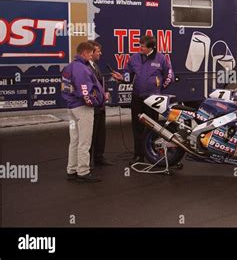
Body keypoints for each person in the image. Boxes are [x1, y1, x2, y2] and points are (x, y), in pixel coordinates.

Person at [111, 35, 174, 164]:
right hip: (137, 97)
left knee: (153, 127)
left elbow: (169, 76)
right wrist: (121, 78)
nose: (140, 47)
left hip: (153, 99)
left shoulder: (161, 58)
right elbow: (128, 75)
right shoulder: (134, 58)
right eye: (139, 45)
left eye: (143, 46)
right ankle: (138, 155)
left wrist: (158, 89)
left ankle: (153, 154)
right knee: (137, 126)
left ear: (151, 47)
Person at [61, 41, 105, 182]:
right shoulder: (81, 68)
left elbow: (66, 88)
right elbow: (84, 90)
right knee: (84, 141)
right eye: (91, 53)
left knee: (74, 140)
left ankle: (72, 170)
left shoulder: (69, 67)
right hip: (83, 109)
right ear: (85, 53)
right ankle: (83, 172)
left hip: (72, 108)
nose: (92, 56)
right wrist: (93, 102)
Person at [88, 41, 114, 167]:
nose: (101, 53)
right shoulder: (86, 67)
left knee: (100, 133)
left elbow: (100, 83)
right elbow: (88, 87)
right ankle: (87, 162)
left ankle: (99, 157)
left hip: (100, 105)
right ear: (91, 53)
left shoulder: (96, 66)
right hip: (93, 106)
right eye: (98, 51)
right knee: (90, 135)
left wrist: (106, 92)